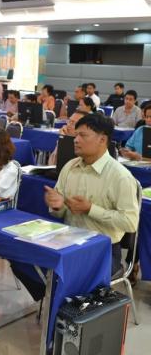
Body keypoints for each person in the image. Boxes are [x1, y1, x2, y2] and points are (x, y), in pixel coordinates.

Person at [44, 113, 139, 276]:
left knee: (70, 278)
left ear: (102, 139)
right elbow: (60, 210)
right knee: (25, 258)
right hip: (69, 242)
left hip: (103, 249)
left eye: (83, 135)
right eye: (76, 135)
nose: (75, 140)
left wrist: (90, 209)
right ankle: (48, 291)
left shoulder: (120, 177)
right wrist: (57, 206)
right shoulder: (70, 167)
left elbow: (130, 222)